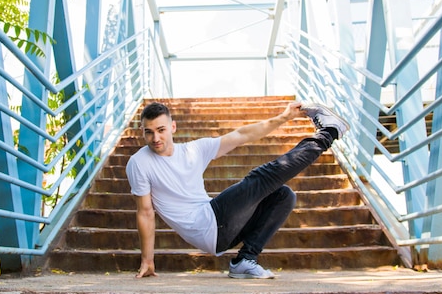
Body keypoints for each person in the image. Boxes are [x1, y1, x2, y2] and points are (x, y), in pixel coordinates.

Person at [125, 100, 349, 279]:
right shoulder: (139, 163)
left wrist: (284, 117)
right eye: (149, 132)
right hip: (206, 225)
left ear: (173, 127)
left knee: (283, 195)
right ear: (143, 132)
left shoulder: (194, 150)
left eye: (161, 130)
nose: (155, 138)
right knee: (261, 178)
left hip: (220, 229)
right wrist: (147, 259)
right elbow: (145, 212)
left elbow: (241, 136)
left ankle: (245, 260)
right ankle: (328, 133)